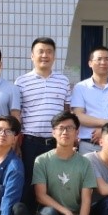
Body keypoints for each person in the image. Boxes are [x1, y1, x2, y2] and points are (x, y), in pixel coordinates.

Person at [32, 111, 103, 215]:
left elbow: (86, 200)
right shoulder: (42, 160)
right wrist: (66, 212)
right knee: (48, 213)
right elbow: (40, 195)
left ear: (77, 132)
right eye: (61, 128)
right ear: (53, 132)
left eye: (70, 128)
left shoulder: (85, 163)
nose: (65, 132)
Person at [15, 37, 72, 206]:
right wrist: (16, 143)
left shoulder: (63, 81)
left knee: (56, 184)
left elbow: (67, 111)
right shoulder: (21, 82)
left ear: (54, 56)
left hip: (56, 143)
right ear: (32, 56)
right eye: (40, 52)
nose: (45, 55)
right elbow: (18, 114)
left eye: (49, 52)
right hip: (30, 142)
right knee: (29, 184)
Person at [70, 46, 108, 154]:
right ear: (90, 63)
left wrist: (104, 130)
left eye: (107, 59)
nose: (103, 62)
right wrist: (106, 125)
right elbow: (78, 116)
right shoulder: (80, 87)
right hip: (88, 144)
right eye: (99, 59)